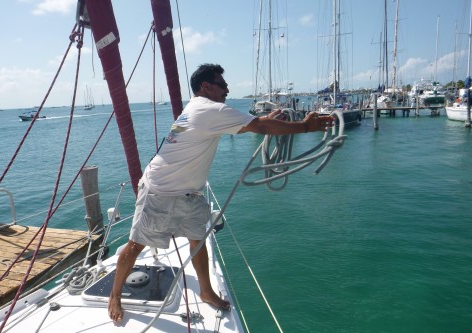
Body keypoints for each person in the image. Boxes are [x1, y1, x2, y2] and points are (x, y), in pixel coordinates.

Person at [108, 63, 334, 322]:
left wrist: (272, 121)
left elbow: (255, 124)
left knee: (197, 239)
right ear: (206, 87)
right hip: (161, 190)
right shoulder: (208, 109)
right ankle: (115, 295)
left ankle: (205, 291)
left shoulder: (197, 109)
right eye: (222, 85)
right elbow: (258, 127)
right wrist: (306, 127)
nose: (227, 89)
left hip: (189, 192)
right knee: (137, 244)